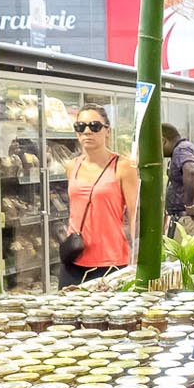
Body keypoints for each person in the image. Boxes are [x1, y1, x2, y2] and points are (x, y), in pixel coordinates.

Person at [61, 103, 139, 287]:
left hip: (110, 262)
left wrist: (138, 257)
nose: (87, 132)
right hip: (74, 258)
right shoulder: (72, 166)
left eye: (94, 126)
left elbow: (135, 214)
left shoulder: (123, 167)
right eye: (80, 127)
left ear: (107, 131)